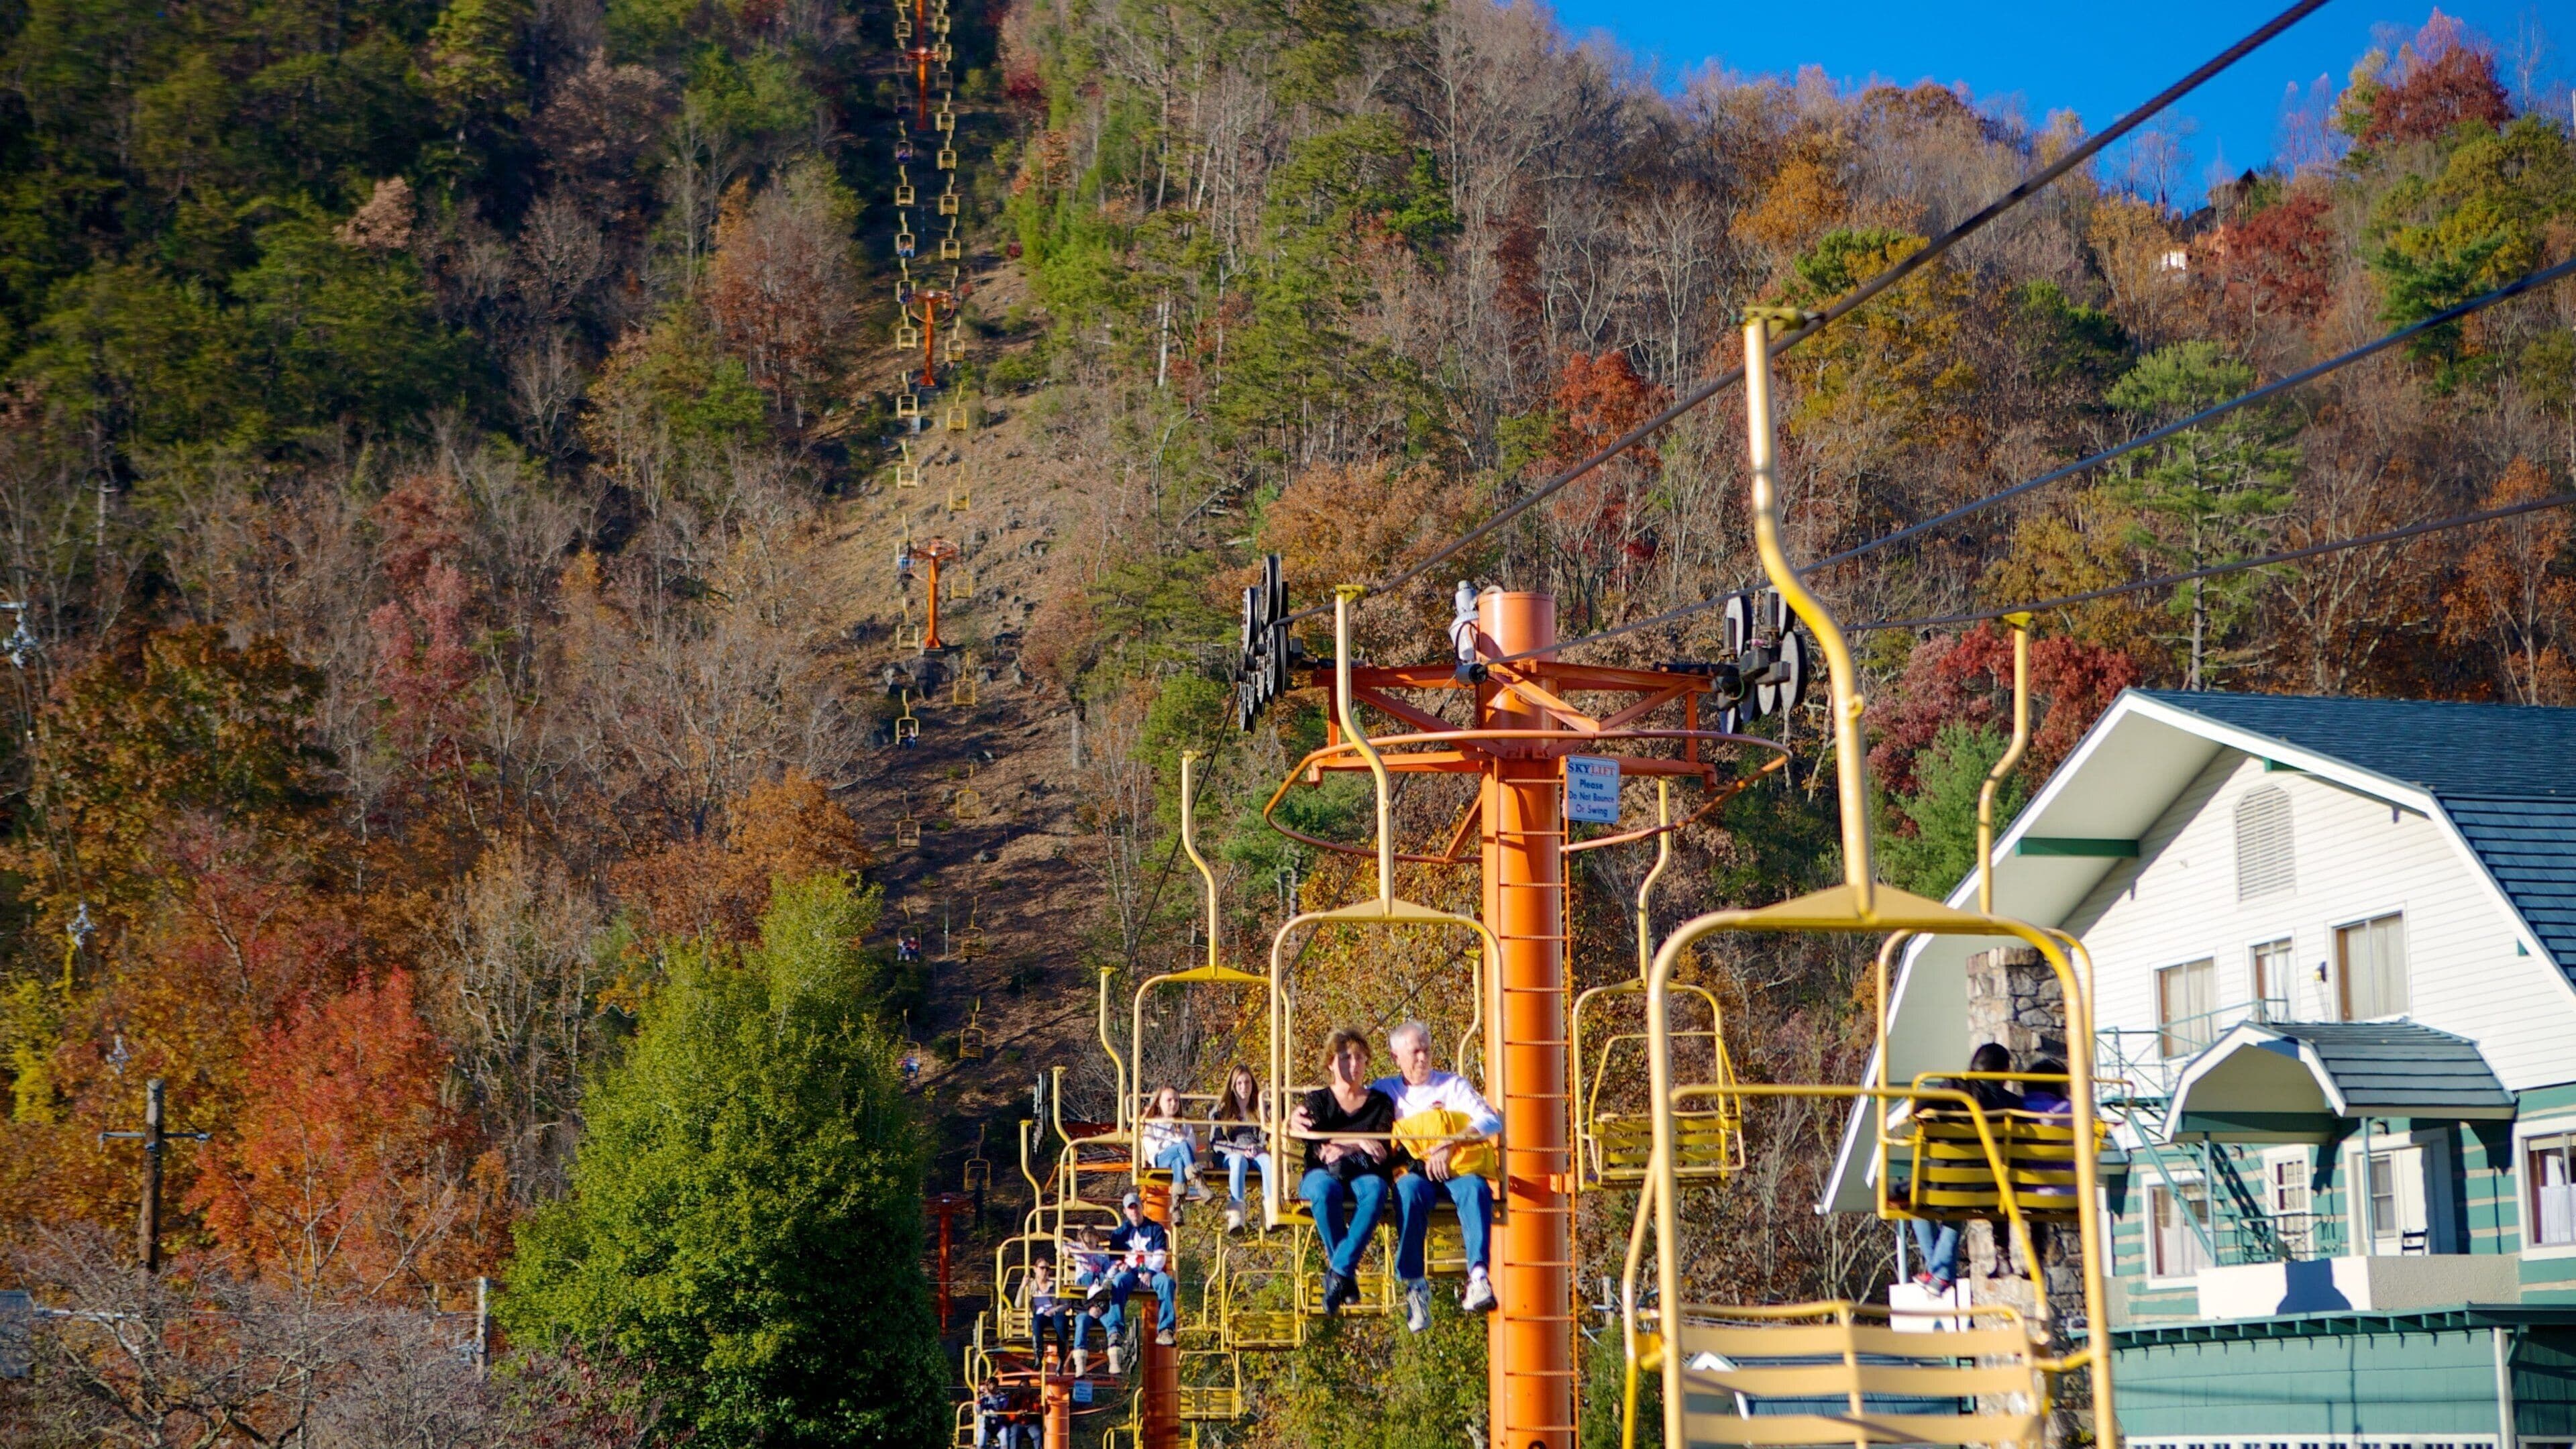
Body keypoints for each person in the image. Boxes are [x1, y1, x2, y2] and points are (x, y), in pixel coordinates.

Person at [1377, 1022, 1501, 1329]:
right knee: (1408, 1192)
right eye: (1415, 1052)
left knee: (1476, 1188)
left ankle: (1479, 1277)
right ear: (1396, 1058)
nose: (1422, 1058)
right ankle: (1415, 1286)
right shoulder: (1385, 1091)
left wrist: (1452, 1142)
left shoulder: (1452, 1086)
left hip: (1454, 1170)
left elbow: (1490, 1120)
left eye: (1426, 1050)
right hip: (1417, 1174)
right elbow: (1352, 1111)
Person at [1295, 1028, 1396, 1316]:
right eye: (1345, 1058)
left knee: (1376, 1192)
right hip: (1323, 1171)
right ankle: (1345, 1277)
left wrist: (1348, 1147)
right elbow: (1315, 1143)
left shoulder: (1379, 1103)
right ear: (1331, 1063)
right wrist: (1359, 1142)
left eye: (1359, 1058)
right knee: (1325, 1192)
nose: (1353, 1065)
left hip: (1364, 1173)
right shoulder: (1318, 1101)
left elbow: (1380, 1143)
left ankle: (1339, 1271)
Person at [1910, 1042, 2019, 1294]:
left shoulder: (1955, 1088)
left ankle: (1940, 1272)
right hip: (1992, 1189)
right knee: (1957, 1201)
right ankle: (1939, 1274)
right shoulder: (2012, 1102)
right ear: (2003, 1072)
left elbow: (1917, 1104)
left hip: (1948, 1184)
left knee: (1910, 1200)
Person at [1104, 1189, 1177, 1347]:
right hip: (1130, 1272)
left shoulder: (1155, 1229)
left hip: (1152, 1271)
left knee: (1167, 1282)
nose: (1134, 1211)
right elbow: (1114, 1260)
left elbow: (1160, 1255)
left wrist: (1150, 1273)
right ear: (1125, 1211)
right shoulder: (1119, 1234)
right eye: (1130, 1208)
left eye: (1136, 1207)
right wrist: (1120, 1266)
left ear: (1141, 1207)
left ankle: (1166, 1329)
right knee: (1118, 1282)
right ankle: (1115, 1331)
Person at [1210, 1064, 1272, 1234]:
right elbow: (1216, 1142)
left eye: (1247, 1083)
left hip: (1255, 1152)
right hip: (1232, 1154)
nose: (1244, 1087)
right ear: (1233, 1086)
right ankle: (1236, 1215)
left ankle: (1272, 1211)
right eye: (1240, 1083)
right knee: (1238, 1162)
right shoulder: (1222, 1111)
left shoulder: (1260, 1109)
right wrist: (1237, 1150)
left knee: (1268, 1161)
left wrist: (1259, 1147)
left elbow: (1267, 1136)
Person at [1138, 1085, 1211, 1218]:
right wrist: (1173, 1142)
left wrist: (1175, 1143)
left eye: (1176, 1101)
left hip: (1179, 1159)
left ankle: (1177, 1207)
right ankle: (1199, 1184)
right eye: (1169, 1100)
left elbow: (1192, 1147)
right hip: (1161, 1159)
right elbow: (1151, 1148)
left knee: (1178, 1161)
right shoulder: (1152, 1122)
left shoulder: (1183, 1123)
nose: (1173, 1104)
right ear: (1159, 1102)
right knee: (1181, 1145)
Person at [1024, 1256, 1072, 1366]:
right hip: (1041, 1315)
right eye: (1042, 1268)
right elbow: (1018, 1304)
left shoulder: (1055, 1285)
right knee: (1036, 1322)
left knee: (1061, 1322)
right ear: (1035, 1269)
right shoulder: (1031, 1286)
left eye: (1047, 1269)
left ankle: (1061, 1357)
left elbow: (1066, 1303)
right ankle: (1038, 1356)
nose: (1045, 1271)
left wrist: (1054, 1310)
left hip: (1054, 1314)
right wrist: (1023, 1286)